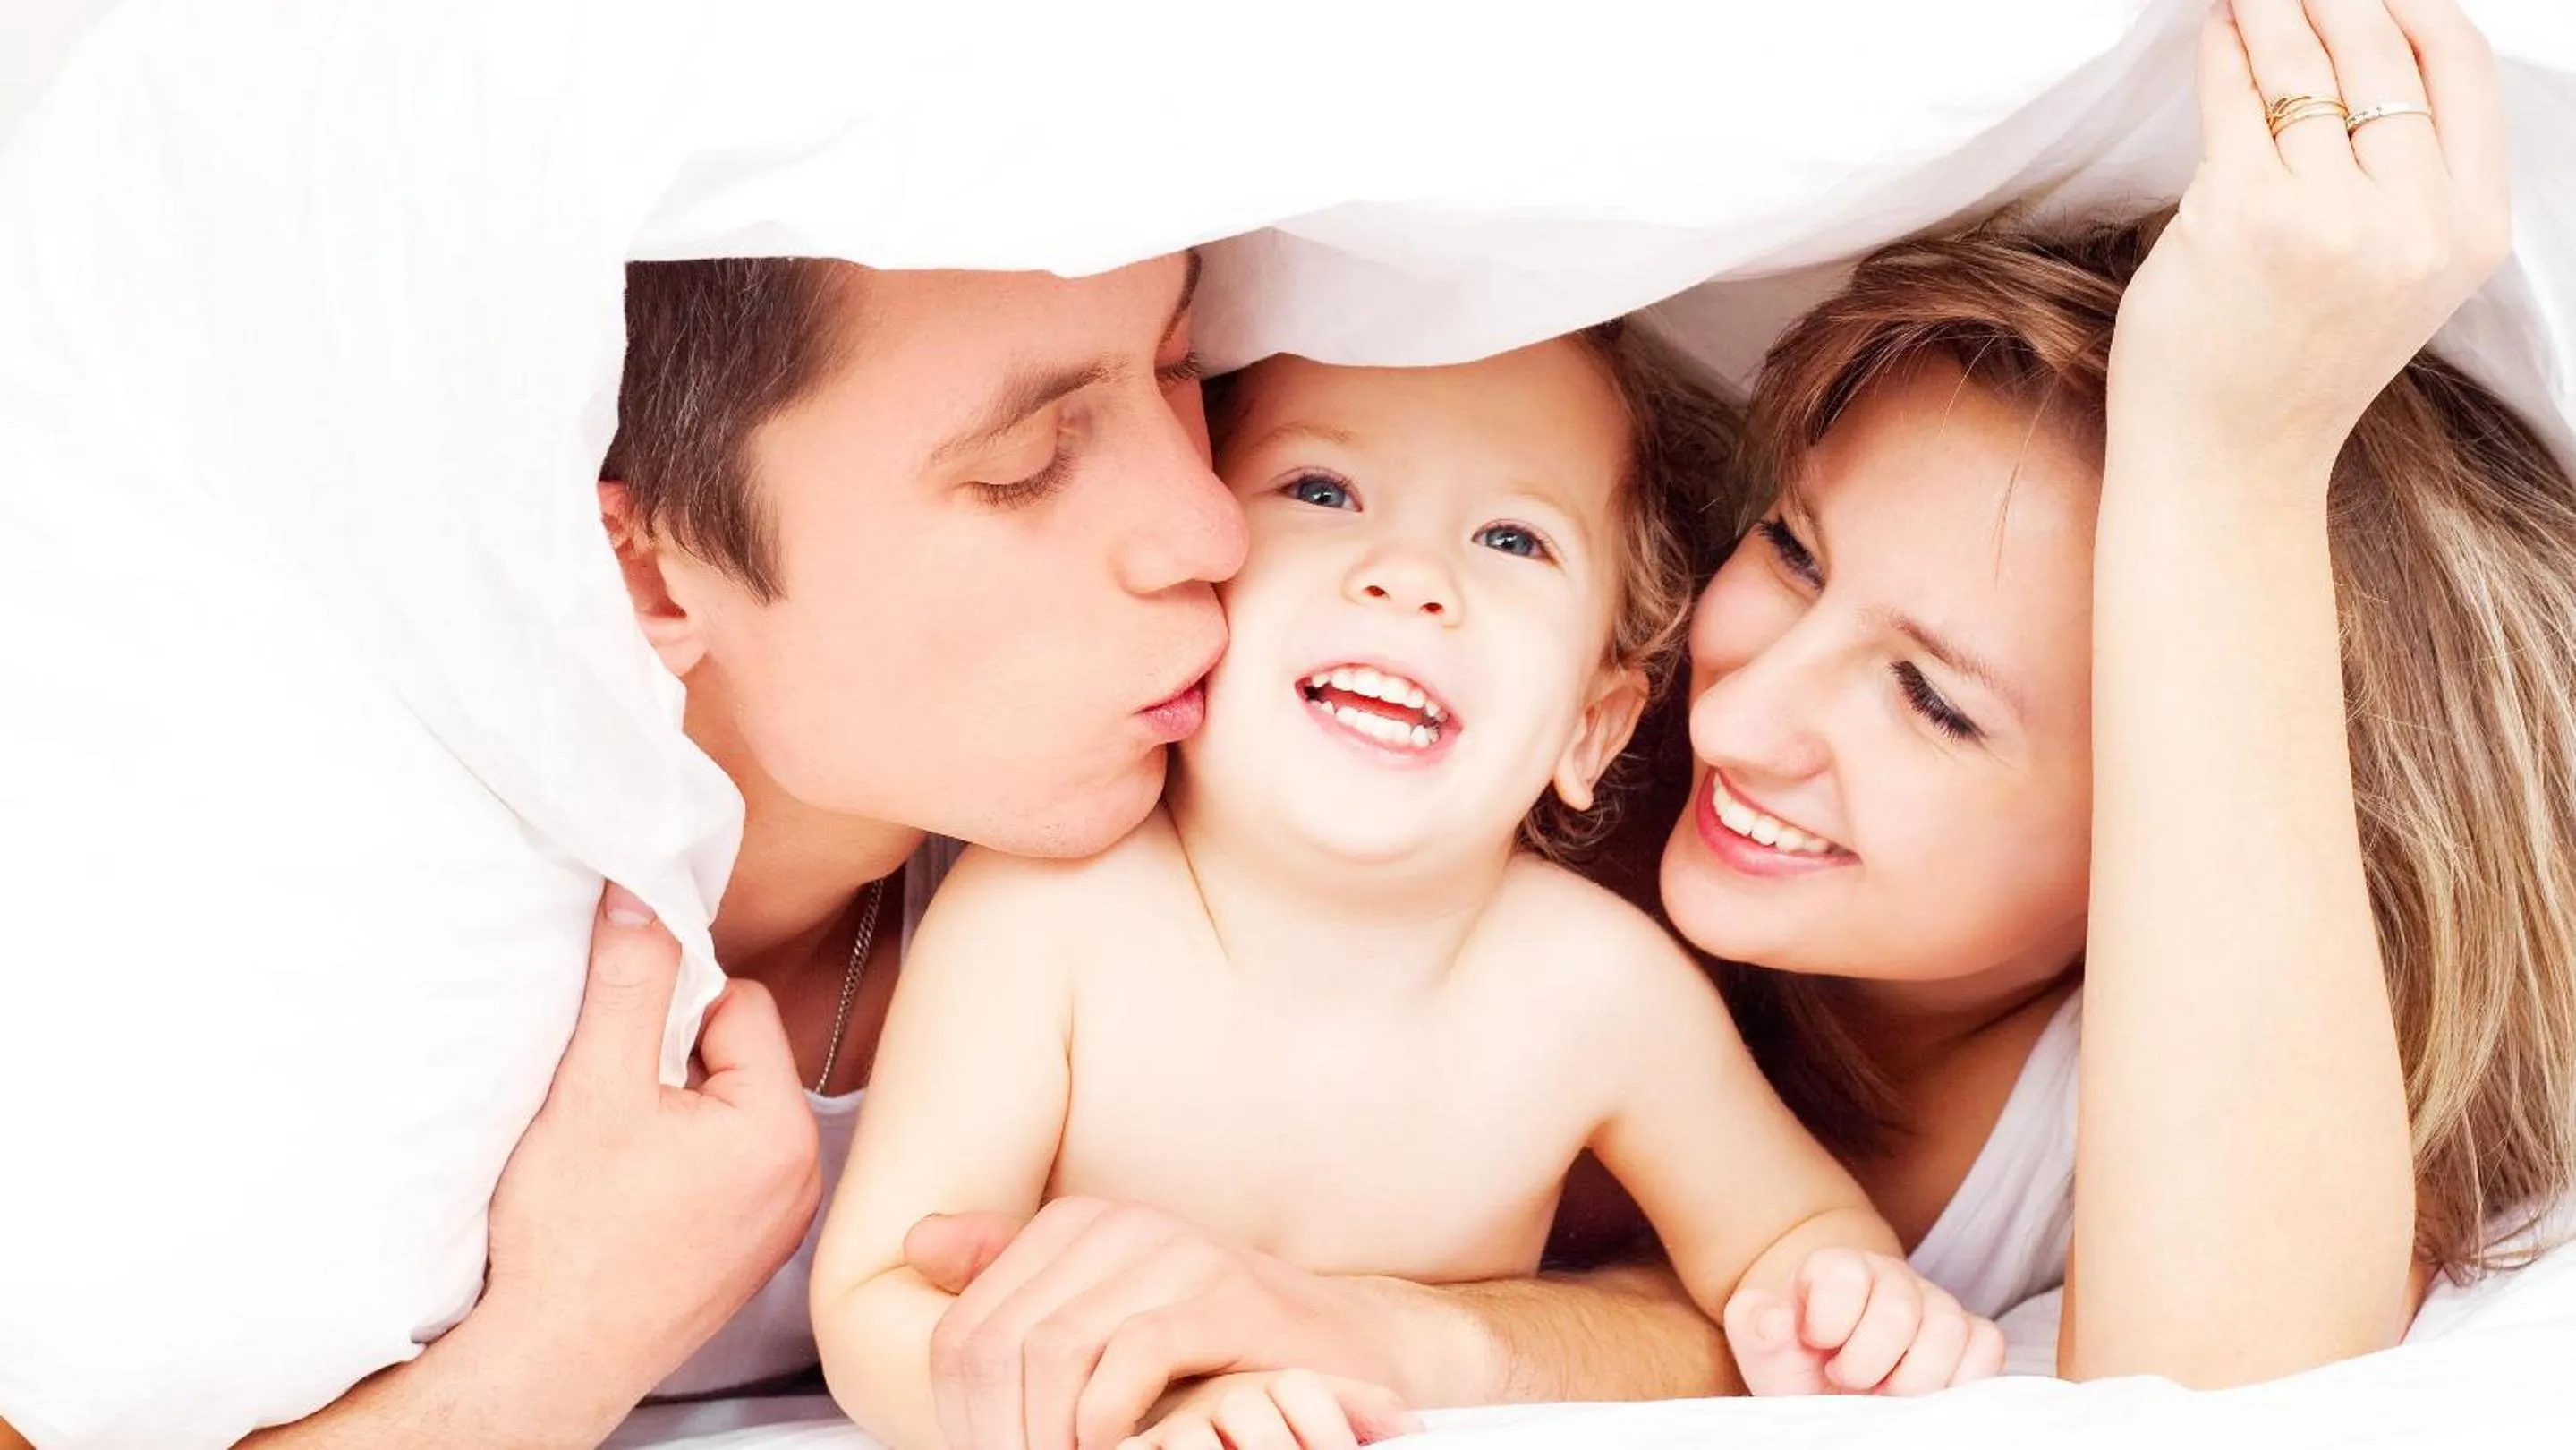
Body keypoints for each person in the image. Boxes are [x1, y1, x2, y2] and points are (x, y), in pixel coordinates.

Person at [184, 254, 1730, 1450]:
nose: (1207, 529)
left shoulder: (1227, 830)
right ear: (653, 569)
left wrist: (1366, 1337)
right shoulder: (370, 948)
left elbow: (1696, 1292)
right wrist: (561, 1347)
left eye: (1181, 373)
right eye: (1027, 462)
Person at [811, 326, 2005, 1450]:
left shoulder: (1598, 989)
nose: (1408, 577)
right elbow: (876, 1301)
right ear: (1191, 593)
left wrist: (1847, 1304)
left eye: (1511, 540)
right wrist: (1103, 1411)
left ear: (1589, 726)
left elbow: (1788, 1232)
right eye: (1321, 493)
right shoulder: (1042, 918)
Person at [1655, 0, 2576, 1390]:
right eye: (1789, 551)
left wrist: (2228, 459)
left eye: (1932, 702)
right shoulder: (1555, 709)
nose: (1726, 721)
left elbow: (2225, 1406)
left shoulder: (2243, 1085)